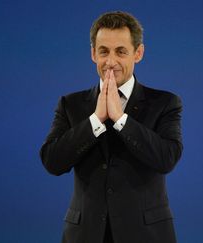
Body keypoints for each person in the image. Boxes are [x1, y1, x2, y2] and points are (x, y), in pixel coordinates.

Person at [40, 11, 182, 243]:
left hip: (147, 235)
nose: (111, 61)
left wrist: (120, 119)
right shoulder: (71, 104)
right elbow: (52, 161)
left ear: (138, 53)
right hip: (85, 235)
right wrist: (96, 119)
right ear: (93, 54)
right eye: (104, 51)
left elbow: (166, 158)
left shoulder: (165, 103)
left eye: (121, 51)